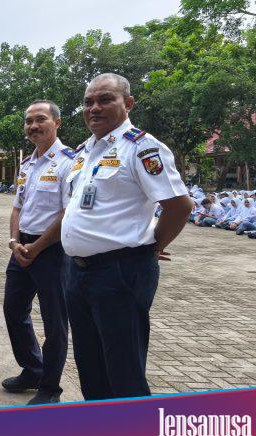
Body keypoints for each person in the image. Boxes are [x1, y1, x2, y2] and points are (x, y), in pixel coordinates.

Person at [60, 73, 192, 400]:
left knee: (124, 372)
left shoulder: (141, 147)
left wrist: (153, 246)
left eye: (105, 100)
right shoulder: (84, 151)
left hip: (119, 272)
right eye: (88, 102)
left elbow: (179, 206)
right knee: (91, 367)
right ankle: (101, 427)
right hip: (78, 272)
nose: (94, 108)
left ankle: (134, 429)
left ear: (128, 103)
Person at [1, 100, 77, 405]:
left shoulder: (70, 162)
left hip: (53, 251)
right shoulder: (27, 164)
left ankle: (50, 388)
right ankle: (33, 369)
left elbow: (68, 213)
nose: (33, 126)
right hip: (21, 248)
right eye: (29, 121)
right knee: (13, 310)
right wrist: (14, 242)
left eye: (40, 119)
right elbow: (17, 208)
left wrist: (37, 246)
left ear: (56, 123)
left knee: (54, 321)